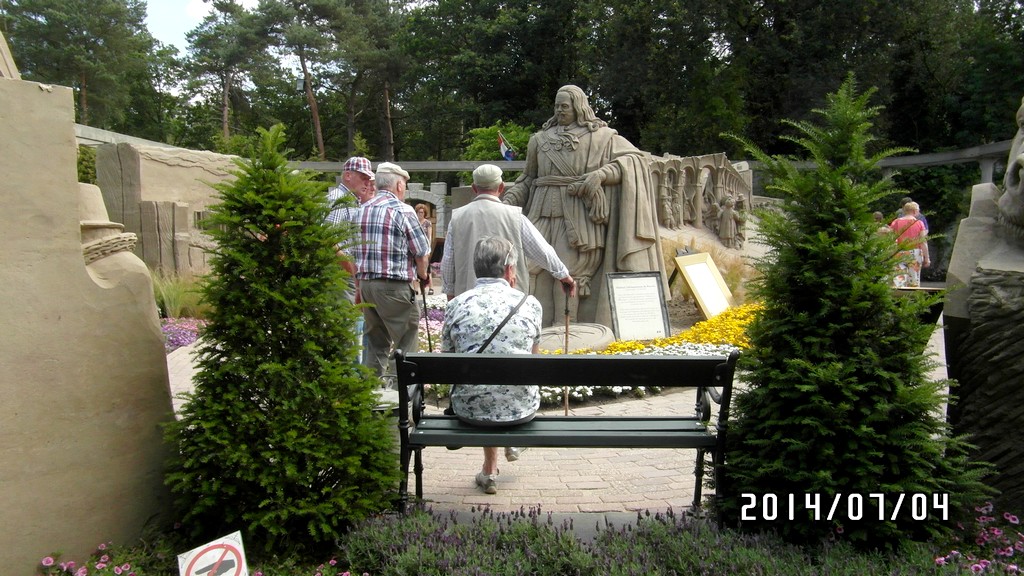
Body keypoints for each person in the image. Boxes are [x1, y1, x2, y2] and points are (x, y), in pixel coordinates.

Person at [502, 85, 664, 326]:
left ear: (578, 107)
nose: (559, 110)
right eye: (557, 106)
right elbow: (527, 179)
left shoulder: (601, 136)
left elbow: (635, 160)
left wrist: (601, 174)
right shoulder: (539, 140)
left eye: (564, 106)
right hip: (541, 211)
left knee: (568, 271)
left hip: (579, 214)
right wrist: (509, 199)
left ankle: (565, 328)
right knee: (526, 265)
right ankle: (529, 325)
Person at [442, 237, 544, 494]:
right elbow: (534, 361)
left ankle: (489, 470)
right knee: (506, 390)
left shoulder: (456, 305)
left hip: (469, 410)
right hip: (521, 409)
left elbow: (448, 360)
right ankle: (511, 442)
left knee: (482, 390)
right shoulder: (530, 304)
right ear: (510, 270)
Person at [442, 164, 575, 302]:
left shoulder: (457, 218)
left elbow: (448, 262)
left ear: (474, 188)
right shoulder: (515, 217)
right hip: (510, 302)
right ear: (501, 187)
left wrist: (451, 296)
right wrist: (563, 275)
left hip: (468, 300)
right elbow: (542, 251)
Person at [354, 162, 431, 377]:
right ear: (398, 185)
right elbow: (421, 252)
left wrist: (359, 287)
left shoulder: (362, 210)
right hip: (394, 287)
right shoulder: (403, 211)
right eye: (404, 185)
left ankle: (370, 394)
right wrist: (423, 275)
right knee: (405, 340)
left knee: (375, 342)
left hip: (367, 286)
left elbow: (354, 254)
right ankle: (401, 394)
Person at [326, 157, 376, 303]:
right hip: (340, 277)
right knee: (346, 322)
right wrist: (351, 271)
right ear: (348, 175)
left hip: (346, 276)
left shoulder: (351, 200)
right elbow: (328, 239)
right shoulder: (338, 199)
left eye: (369, 179)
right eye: (363, 177)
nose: (367, 183)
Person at [889, 201, 930, 287]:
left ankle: (898, 296)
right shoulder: (919, 223)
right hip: (915, 253)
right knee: (914, 280)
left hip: (899, 252)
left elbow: (890, 239)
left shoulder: (895, 222)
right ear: (914, 211)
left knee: (898, 279)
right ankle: (912, 298)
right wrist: (927, 258)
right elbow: (923, 242)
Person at [414, 204, 434, 295]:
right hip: (416, 248)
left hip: (425, 248)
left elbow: (429, 236)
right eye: (418, 212)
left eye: (422, 212)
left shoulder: (427, 223)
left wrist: (429, 248)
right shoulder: (414, 222)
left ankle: (431, 288)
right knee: (415, 268)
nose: (420, 214)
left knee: (427, 269)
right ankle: (416, 288)